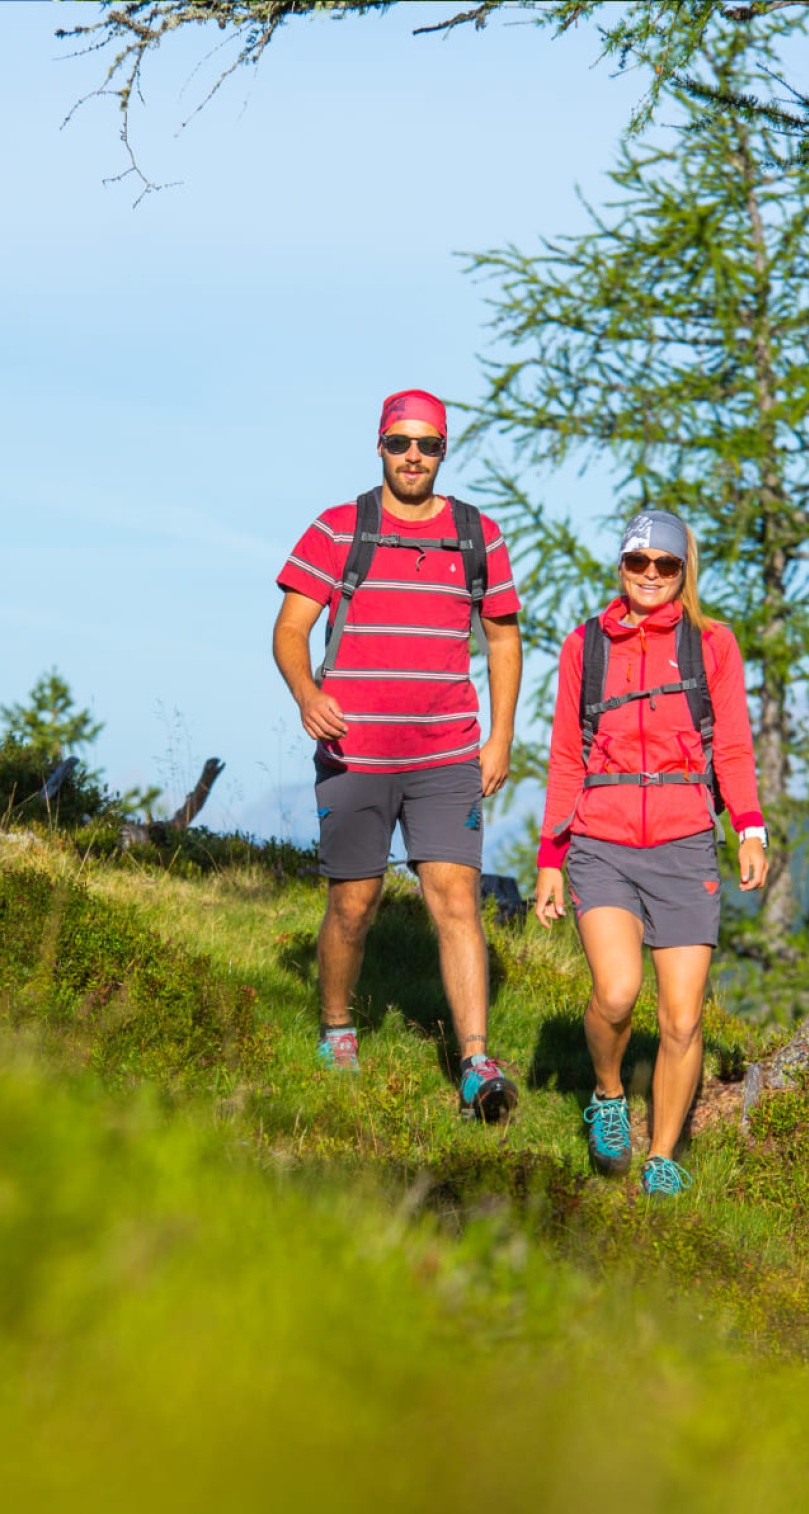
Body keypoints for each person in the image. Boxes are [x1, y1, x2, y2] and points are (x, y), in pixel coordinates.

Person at [274, 389, 523, 1121]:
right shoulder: (338, 528)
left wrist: (500, 735)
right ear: (379, 446)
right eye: (400, 443)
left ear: (444, 451)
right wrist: (305, 694)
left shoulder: (479, 535)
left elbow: (503, 639)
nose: (413, 456)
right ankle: (338, 1027)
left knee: (456, 898)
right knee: (354, 903)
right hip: (354, 751)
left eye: (428, 444)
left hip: (447, 752)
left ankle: (476, 1062)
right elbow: (290, 630)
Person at [533, 509, 768, 1195]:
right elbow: (563, 755)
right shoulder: (586, 645)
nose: (651, 576)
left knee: (683, 1016)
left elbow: (731, 744)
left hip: (687, 843)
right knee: (615, 992)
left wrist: (748, 828)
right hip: (601, 841)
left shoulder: (712, 645)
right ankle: (608, 1092)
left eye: (665, 565)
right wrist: (551, 856)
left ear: (683, 571)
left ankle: (663, 1154)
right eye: (639, 563)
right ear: (622, 566)